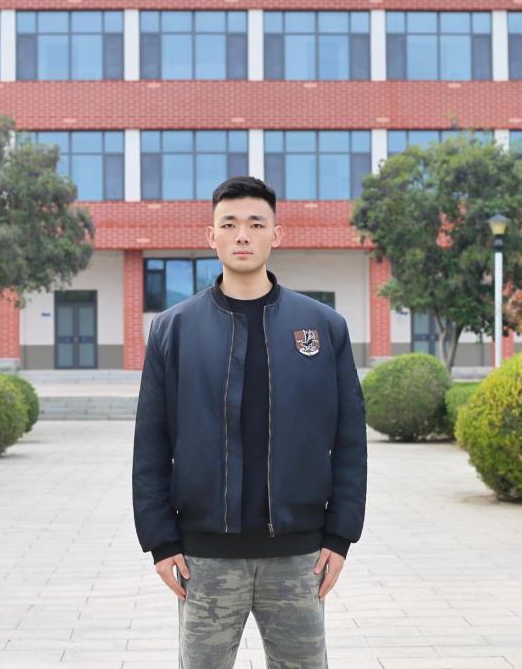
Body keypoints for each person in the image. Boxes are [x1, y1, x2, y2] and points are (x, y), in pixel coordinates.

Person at [132, 175, 368, 668]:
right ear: (211, 236)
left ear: (276, 235)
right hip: (204, 559)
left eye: (256, 224)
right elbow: (151, 442)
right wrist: (160, 541)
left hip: (300, 556)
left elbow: (349, 438)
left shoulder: (322, 326)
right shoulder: (174, 329)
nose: (243, 235)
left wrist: (340, 537)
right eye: (230, 224)